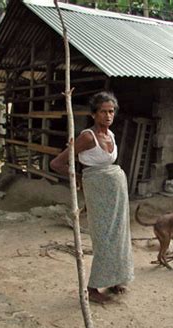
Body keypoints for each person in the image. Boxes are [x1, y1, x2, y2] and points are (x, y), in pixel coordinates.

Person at [50, 91, 134, 304]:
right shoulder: (87, 137)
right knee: (103, 237)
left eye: (111, 111)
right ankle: (93, 287)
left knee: (119, 235)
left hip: (116, 191)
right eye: (103, 112)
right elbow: (57, 163)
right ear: (94, 114)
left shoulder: (111, 135)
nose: (108, 116)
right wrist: (77, 177)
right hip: (98, 192)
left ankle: (115, 279)